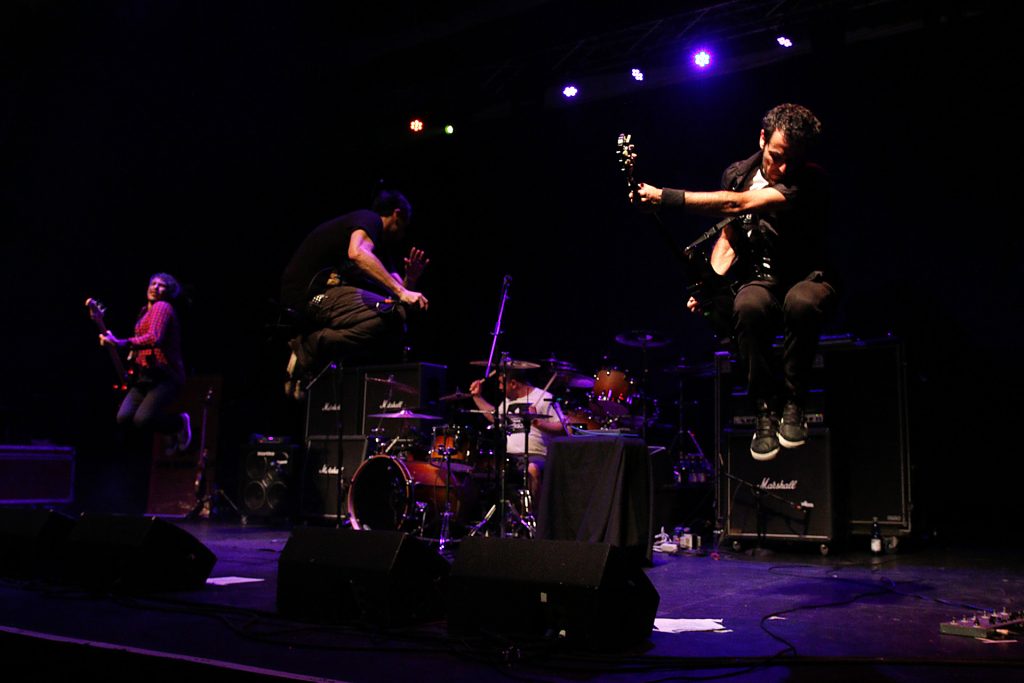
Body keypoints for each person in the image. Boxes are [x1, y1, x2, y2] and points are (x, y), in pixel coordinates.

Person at [634, 103, 833, 461]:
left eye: (792, 161)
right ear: (762, 139)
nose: (782, 168)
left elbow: (737, 205)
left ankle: (794, 402)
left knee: (801, 302)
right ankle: (764, 410)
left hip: (809, 276)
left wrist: (665, 197)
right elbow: (730, 236)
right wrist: (710, 288)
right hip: (765, 277)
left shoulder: (809, 180)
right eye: (776, 157)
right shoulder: (738, 174)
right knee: (747, 305)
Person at [280, 190, 429, 398]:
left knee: (396, 319)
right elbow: (357, 252)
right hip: (309, 295)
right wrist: (402, 291)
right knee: (393, 315)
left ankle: (313, 354)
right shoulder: (369, 220)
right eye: (404, 226)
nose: (403, 234)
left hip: (326, 297)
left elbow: (399, 295)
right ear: (397, 214)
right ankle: (309, 348)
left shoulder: (381, 249)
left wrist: (409, 281)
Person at [99, 273, 191, 451]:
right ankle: (170, 431)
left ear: (169, 292)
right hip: (145, 376)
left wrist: (121, 343)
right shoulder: (144, 312)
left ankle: (179, 423)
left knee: (143, 419)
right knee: (123, 417)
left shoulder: (162, 307)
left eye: (161, 285)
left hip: (164, 376)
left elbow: (154, 338)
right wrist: (114, 342)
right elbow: (139, 345)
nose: (155, 287)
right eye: (153, 283)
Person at [469, 367, 567, 504]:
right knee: (482, 470)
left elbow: (563, 428)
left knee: (532, 469)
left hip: (537, 455)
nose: (500, 388)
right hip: (510, 457)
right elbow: (495, 417)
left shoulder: (544, 397)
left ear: (513, 384)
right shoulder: (508, 401)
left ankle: (535, 513)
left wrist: (537, 422)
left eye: (501, 383)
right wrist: (477, 397)